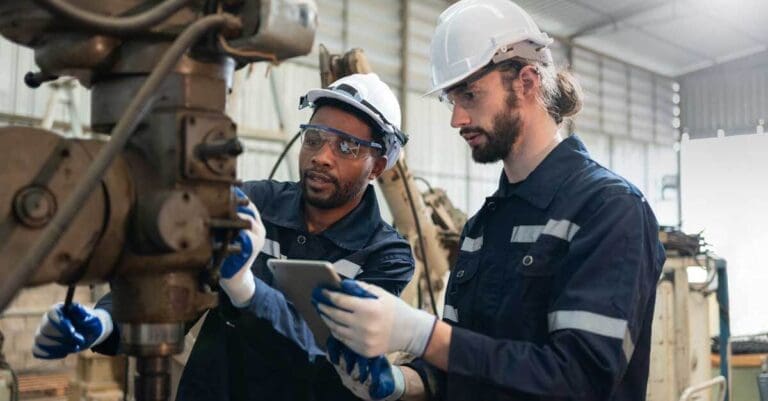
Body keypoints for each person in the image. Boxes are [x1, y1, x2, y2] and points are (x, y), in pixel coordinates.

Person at [314, 1, 666, 400]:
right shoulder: (483, 226)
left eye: (470, 94)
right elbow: (464, 364)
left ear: (528, 82)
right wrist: (401, 383)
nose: (457, 119)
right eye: (452, 99)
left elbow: (580, 380)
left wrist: (422, 333)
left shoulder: (609, 209)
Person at [31, 73, 416, 401]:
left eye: (346, 146)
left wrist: (245, 288)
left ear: (377, 166)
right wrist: (107, 319)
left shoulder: (386, 256)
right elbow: (177, 274)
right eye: (314, 138)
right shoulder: (257, 202)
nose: (321, 156)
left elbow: (329, 354)